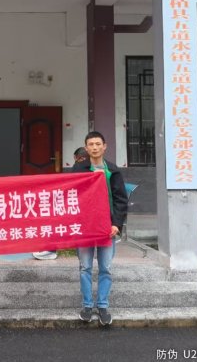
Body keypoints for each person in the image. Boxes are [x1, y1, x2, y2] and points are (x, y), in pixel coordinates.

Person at [72, 131, 128, 326]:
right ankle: (87, 306)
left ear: (104, 146)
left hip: (107, 228)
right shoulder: (79, 170)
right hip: (85, 227)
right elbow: (71, 195)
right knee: (85, 267)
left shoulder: (113, 171)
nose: (95, 147)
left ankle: (103, 306)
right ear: (86, 148)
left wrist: (116, 224)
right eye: (91, 144)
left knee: (105, 268)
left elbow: (121, 200)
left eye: (98, 144)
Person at [32, 147, 89, 260]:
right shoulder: (95, 167)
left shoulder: (79, 166)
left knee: (59, 221)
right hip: (82, 205)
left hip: (79, 206)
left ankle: (50, 250)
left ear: (77, 157)